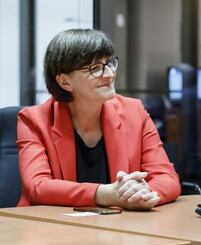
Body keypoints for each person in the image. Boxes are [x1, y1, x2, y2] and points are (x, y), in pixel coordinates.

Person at [17, 29, 181, 210]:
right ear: (65, 82)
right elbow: (37, 186)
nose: (110, 74)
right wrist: (104, 194)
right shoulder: (33, 120)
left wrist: (141, 192)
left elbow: (168, 177)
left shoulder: (134, 112)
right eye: (95, 68)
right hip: (50, 229)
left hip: (119, 228)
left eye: (109, 63)